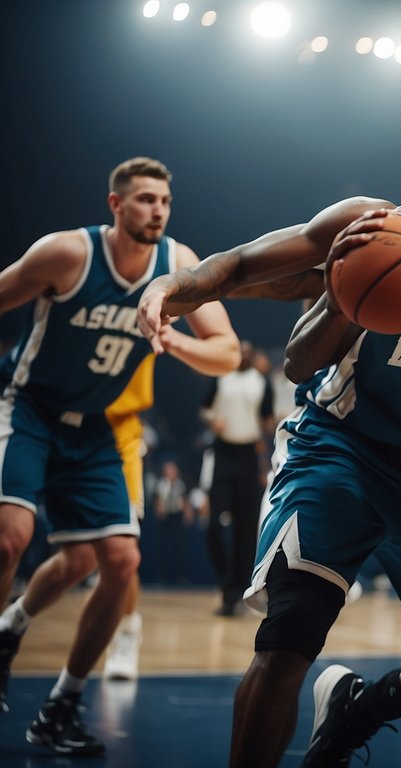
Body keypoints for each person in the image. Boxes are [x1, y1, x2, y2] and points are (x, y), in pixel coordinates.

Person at [136, 102, 401, 768]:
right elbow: (257, 289)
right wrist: (171, 286)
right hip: (341, 445)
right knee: (290, 633)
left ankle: (363, 709)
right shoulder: (373, 228)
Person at [0, 156, 240, 755]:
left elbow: (229, 352)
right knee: (9, 537)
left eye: (164, 200)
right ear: (116, 205)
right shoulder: (67, 255)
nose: (157, 209)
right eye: (144, 199)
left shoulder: (178, 265)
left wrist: (172, 338)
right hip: (31, 411)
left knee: (116, 561)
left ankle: (61, 703)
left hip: (98, 430)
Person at [200, 339, 274, 616]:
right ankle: (225, 580)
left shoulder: (261, 382)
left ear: (252, 356)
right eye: (239, 352)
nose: (243, 356)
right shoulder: (221, 378)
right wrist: (211, 420)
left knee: (245, 528)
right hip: (222, 452)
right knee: (215, 526)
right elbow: (204, 408)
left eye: (247, 352)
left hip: (248, 456)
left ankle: (236, 593)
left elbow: (266, 421)